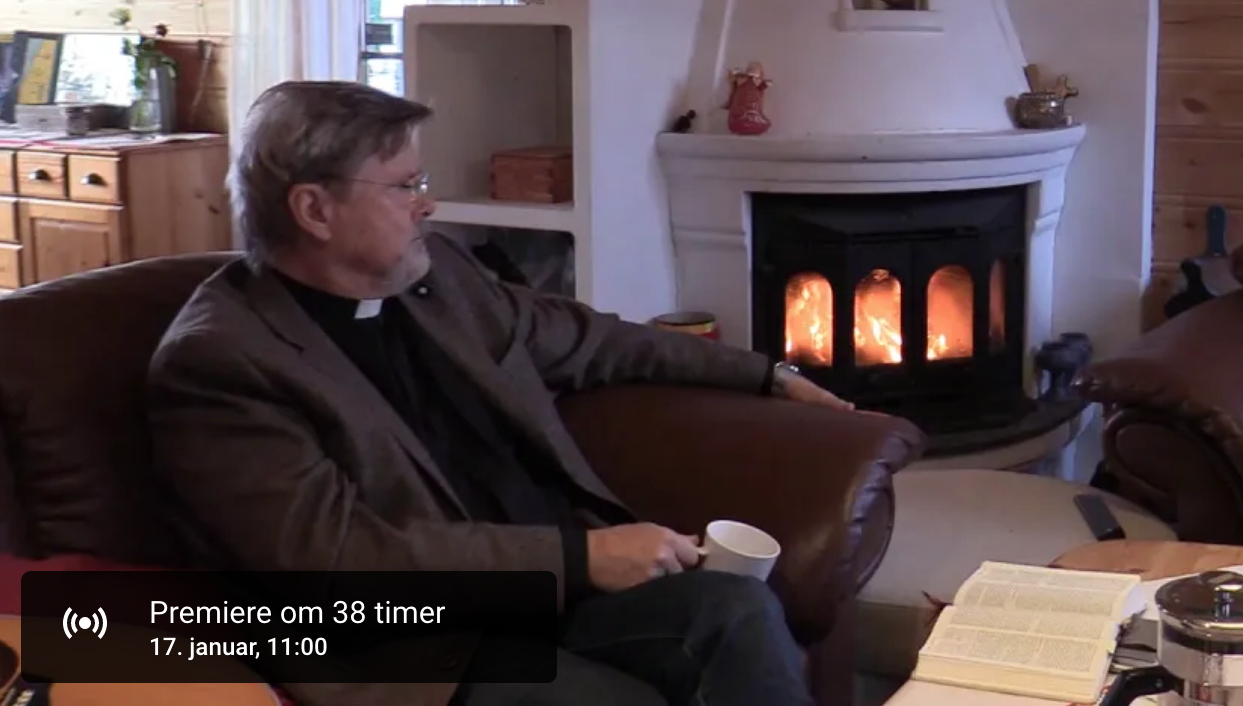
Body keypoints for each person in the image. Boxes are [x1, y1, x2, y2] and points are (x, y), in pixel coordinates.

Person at [147, 81, 851, 706]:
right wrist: (580, 557)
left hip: (552, 595)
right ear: (314, 209)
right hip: (415, 644)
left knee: (735, 608)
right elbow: (339, 561)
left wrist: (764, 374)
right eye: (404, 185)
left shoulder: (435, 277)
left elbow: (592, 340)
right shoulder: (222, 364)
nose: (427, 203)